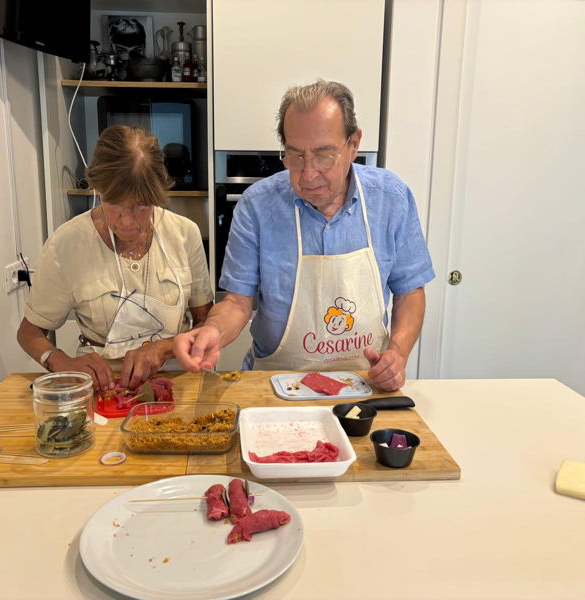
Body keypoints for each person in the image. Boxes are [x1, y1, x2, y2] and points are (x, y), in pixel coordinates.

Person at [174, 80, 434, 391]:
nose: (308, 174)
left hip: (364, 383)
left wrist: (398, 353)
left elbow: (410, 292)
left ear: (354, 145)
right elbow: (237, 303)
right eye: (295, 155)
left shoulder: (391, 198)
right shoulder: (257, 206)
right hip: (275, 384)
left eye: (324, 155)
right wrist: (212, 330)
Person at [17, 126, 213, 391]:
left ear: (157, 196)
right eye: (115, 204)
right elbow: (30, 333)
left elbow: (207, 322)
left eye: (141, 206)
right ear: (99, 190)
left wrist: (164, 348)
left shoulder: (184, 234)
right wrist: (60, 361)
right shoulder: (67, 244)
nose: (128, 221)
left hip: (178, 380)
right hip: (101, 388)